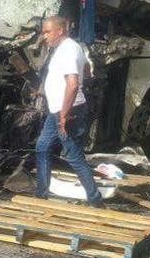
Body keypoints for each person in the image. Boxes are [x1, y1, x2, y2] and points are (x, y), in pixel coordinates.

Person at [34, 16, 103, 207]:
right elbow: (87, 70)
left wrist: (64, 115)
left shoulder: (69, 49)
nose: (44, 36)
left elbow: (72, 85)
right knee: (42, 147)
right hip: (57, 110)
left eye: (47, 31)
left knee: (74, 156)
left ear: (60, 31)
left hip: (68, 111)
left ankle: (96, 200)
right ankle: (41, 195)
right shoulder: (64, 49)